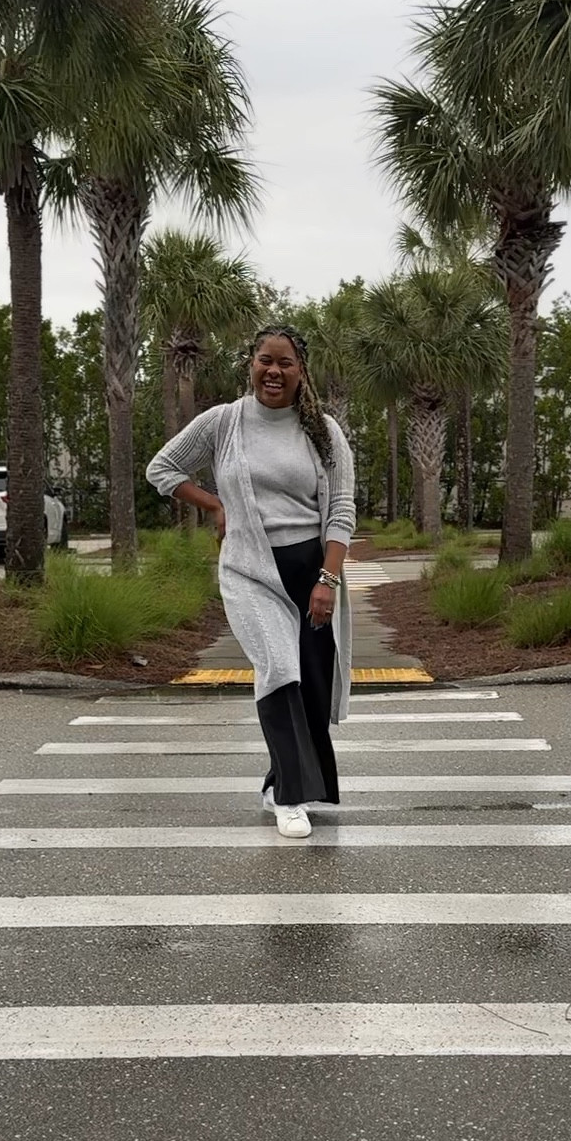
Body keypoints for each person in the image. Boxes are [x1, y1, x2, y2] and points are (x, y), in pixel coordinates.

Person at [146, 326, 356, 838]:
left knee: (310, 688)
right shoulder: (223, 422)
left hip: (311, 572)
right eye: (266, 360)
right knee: (279, 668)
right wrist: (216, 503)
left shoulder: (324, 431)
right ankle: (290, 799)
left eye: (285, 362)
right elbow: (162, 469)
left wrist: (327, 579)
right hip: (249, 569)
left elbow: (342, 511)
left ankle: (275, 778)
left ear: (300, 371)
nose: (274, 371)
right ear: (251, 364)